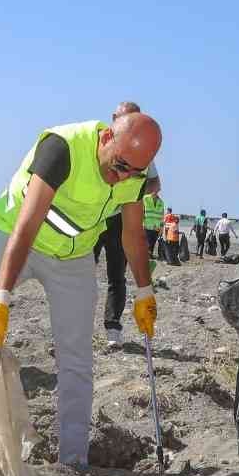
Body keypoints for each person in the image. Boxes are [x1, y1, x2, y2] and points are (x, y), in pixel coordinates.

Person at [0, 114, 162, 467]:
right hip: (17, 236)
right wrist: (2, 299)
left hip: (72, 255)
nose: (123, 176)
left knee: (77, 350)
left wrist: (145, 292)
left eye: (134, 172)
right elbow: (27, 224)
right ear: (106, 138)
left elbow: (132, 234)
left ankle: (74, 455)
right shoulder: (62, 147)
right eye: (119, 166)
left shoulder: (134, 173)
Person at [93, 101, 163, 348]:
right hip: (93, 218)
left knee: (117, 276)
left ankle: (113, 327)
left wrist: (134, 193)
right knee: (80, 273)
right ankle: (75, 328)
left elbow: (155, 183)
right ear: (114, 119)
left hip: (121, 220)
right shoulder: (100, 141)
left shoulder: (141, 152)